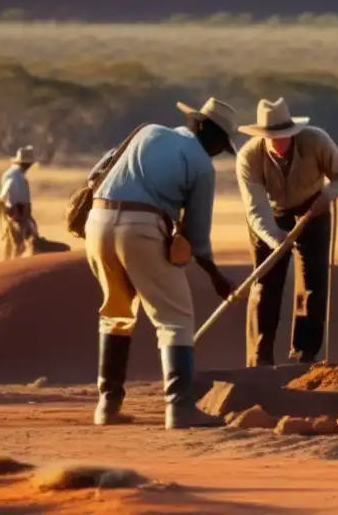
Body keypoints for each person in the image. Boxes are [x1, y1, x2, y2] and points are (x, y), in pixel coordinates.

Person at [84, 98, 238, 430]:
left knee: (116, 313)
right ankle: (179, 408)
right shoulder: (200, 164)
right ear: (204, 131)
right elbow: (197, 237)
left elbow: (97, 171)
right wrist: (217, 278)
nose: (216, 152)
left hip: (97, 221)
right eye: (219, 144)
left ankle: (107, 406)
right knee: (176, 318)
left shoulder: (147, 132)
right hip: (140, 226)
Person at [235, 97, 338, 367]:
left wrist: (327, 196)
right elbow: (255, 209)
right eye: (272, 137)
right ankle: (259, 358)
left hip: (314, 209)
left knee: (312, 286)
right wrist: (274, 238)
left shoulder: (316, 140)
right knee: (265, 285)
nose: (279, 142)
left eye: (284, 136)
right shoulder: (249, 157)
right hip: (269, 215)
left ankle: (305, 355)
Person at [0, 147, 38, 260]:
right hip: (17, 212)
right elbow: (5, 193)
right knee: (19, 242)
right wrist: (13, 210)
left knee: (13, 242)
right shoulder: (15, 175)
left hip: (19, 211)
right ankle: (13, 264)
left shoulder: (16, 174)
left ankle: (7, 262)